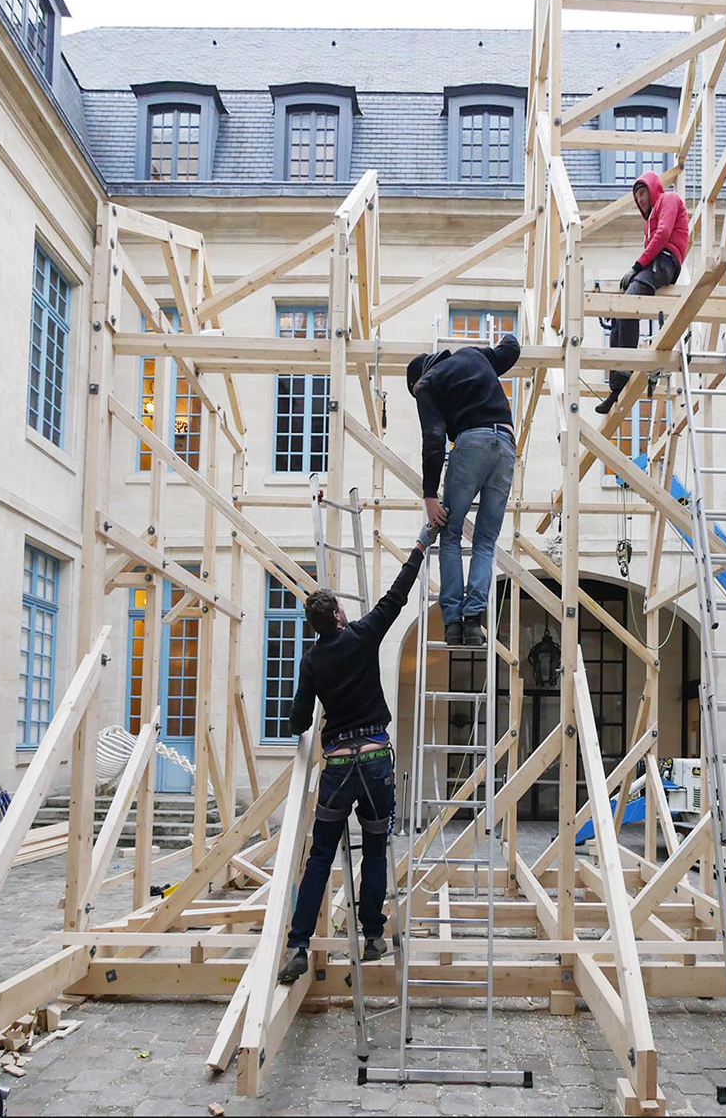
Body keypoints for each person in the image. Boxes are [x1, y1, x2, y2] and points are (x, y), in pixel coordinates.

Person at [277, 522, 436, 985]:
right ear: (339, 615)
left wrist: (301, 723)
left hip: (339, 766)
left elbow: (299, 721)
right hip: (375, 759)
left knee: (320, 856)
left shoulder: (312, 660)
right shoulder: (362, 635)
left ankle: (298, 945)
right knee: (375, 848)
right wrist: (419, 545)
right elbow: (396, 597)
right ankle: (372, 936)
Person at [406, 331, 520, 648]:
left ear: (415, 383)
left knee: (450, 533)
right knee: (485, 541)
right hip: (506, 445)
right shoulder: (473, 355)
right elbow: (511, 349)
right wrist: (507, 335)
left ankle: (453, 624)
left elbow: (433, 439)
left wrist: (430, 495)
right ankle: (473, 620)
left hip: (471, 443)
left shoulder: (426, 385)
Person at [596, 170, 689, 414]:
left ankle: (626, 365)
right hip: (655, 262)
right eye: (636, 196)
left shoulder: (669, 200)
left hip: (666, 261)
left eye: (642, 193)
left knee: (630, 302)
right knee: (619, 315)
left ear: (653, 189)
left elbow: (663, 234)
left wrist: (636, 267)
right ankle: (616, 386)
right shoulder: (648, 223)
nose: (639, 199)